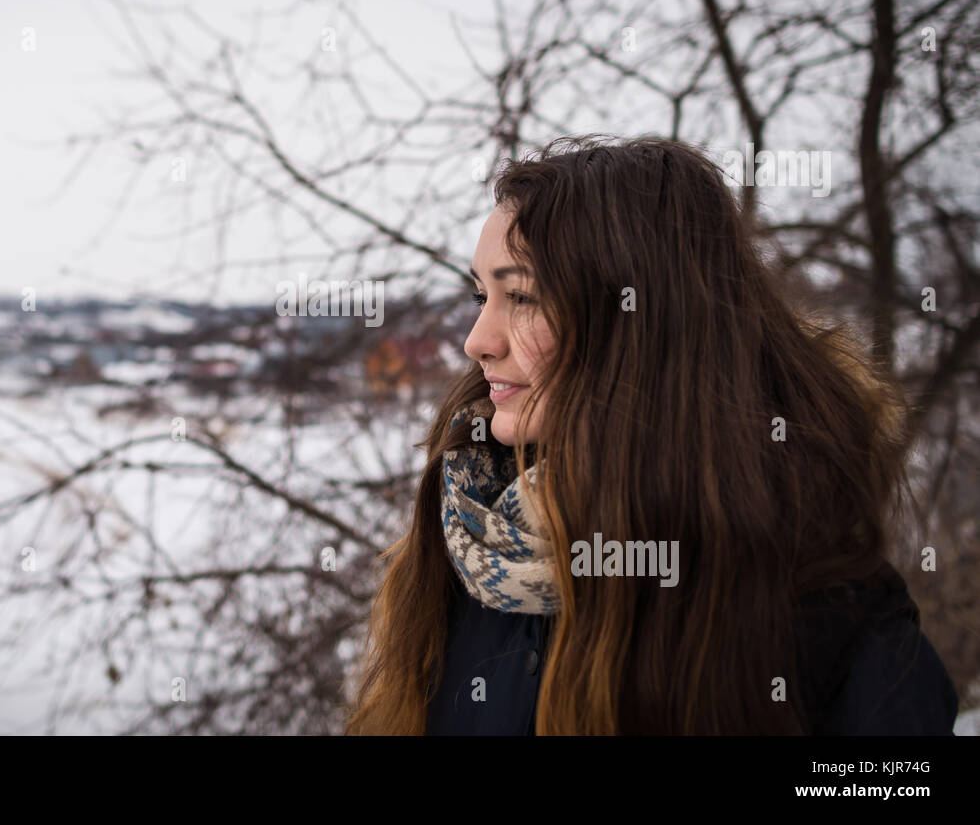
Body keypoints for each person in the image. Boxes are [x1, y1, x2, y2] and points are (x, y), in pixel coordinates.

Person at [343, 135, 959, 735]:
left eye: (523, 296)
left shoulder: (824, 616)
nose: (478, 340)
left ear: (641, 322)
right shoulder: (469, 541)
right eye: (482, 295)